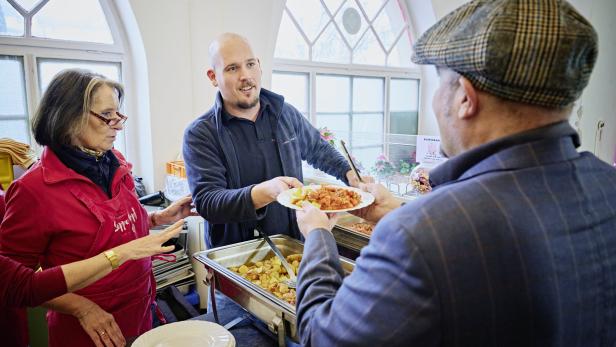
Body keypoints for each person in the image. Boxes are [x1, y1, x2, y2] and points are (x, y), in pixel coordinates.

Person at [294, 0, 616, 346]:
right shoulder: (608, 187)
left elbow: (322, 337)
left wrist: (317, 238)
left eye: (440, 84)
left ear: (464, 97)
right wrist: (394, 212)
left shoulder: (418, 236)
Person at [0, 69, 198, 347]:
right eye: (107, 116)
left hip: (140, 309)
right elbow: (16, 285)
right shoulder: (33, 191)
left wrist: (157, 217)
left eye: (119, 115)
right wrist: (81, 307)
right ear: (68, 118)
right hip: (90, 329)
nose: (118, 125)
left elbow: (111, 225)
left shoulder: (113, 161)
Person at [183, 33, 363, 248]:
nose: (245, 75)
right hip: (236, 257)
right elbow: (208, 203)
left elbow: (318, 149)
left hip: (295, 246)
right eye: (232, 68)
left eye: (250, 64)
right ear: (213, 77)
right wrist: (264, 192)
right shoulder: (200, 133)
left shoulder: (285, 114)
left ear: (259, 65)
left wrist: (350, 175)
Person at [0, 220, 182, 347]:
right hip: (81, 333)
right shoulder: (31, 189)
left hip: (139, 318)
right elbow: (23, 285)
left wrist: (153, 219)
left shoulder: (115, 170)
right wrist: (120, 254)